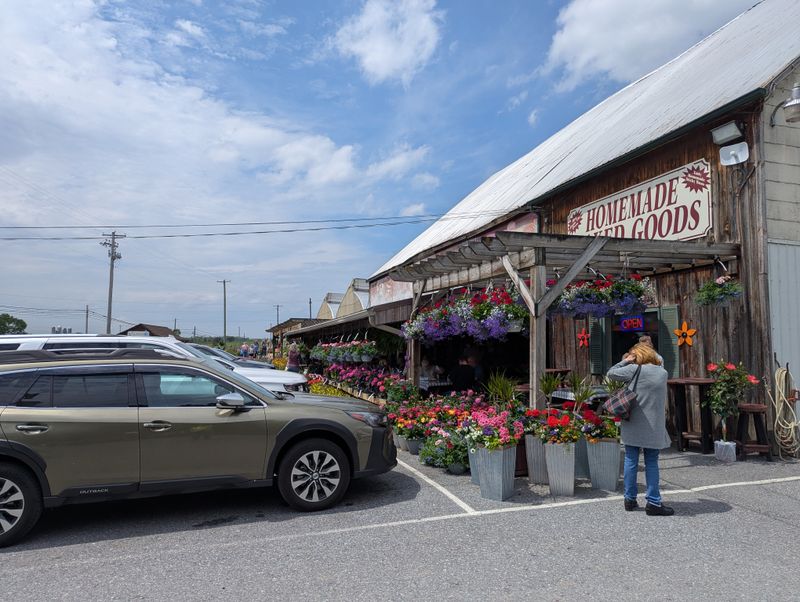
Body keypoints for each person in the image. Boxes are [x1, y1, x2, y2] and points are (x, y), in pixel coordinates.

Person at [607, 342, 674, 516]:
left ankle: (629, 499)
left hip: (633, 422)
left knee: (631, 460)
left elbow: (611, 373)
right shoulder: (663, 373)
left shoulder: (634, 369)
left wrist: (627, 361)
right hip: (654, 425)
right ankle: (653, 502)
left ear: (637, 356)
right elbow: (659, 361)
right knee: (652, 462)